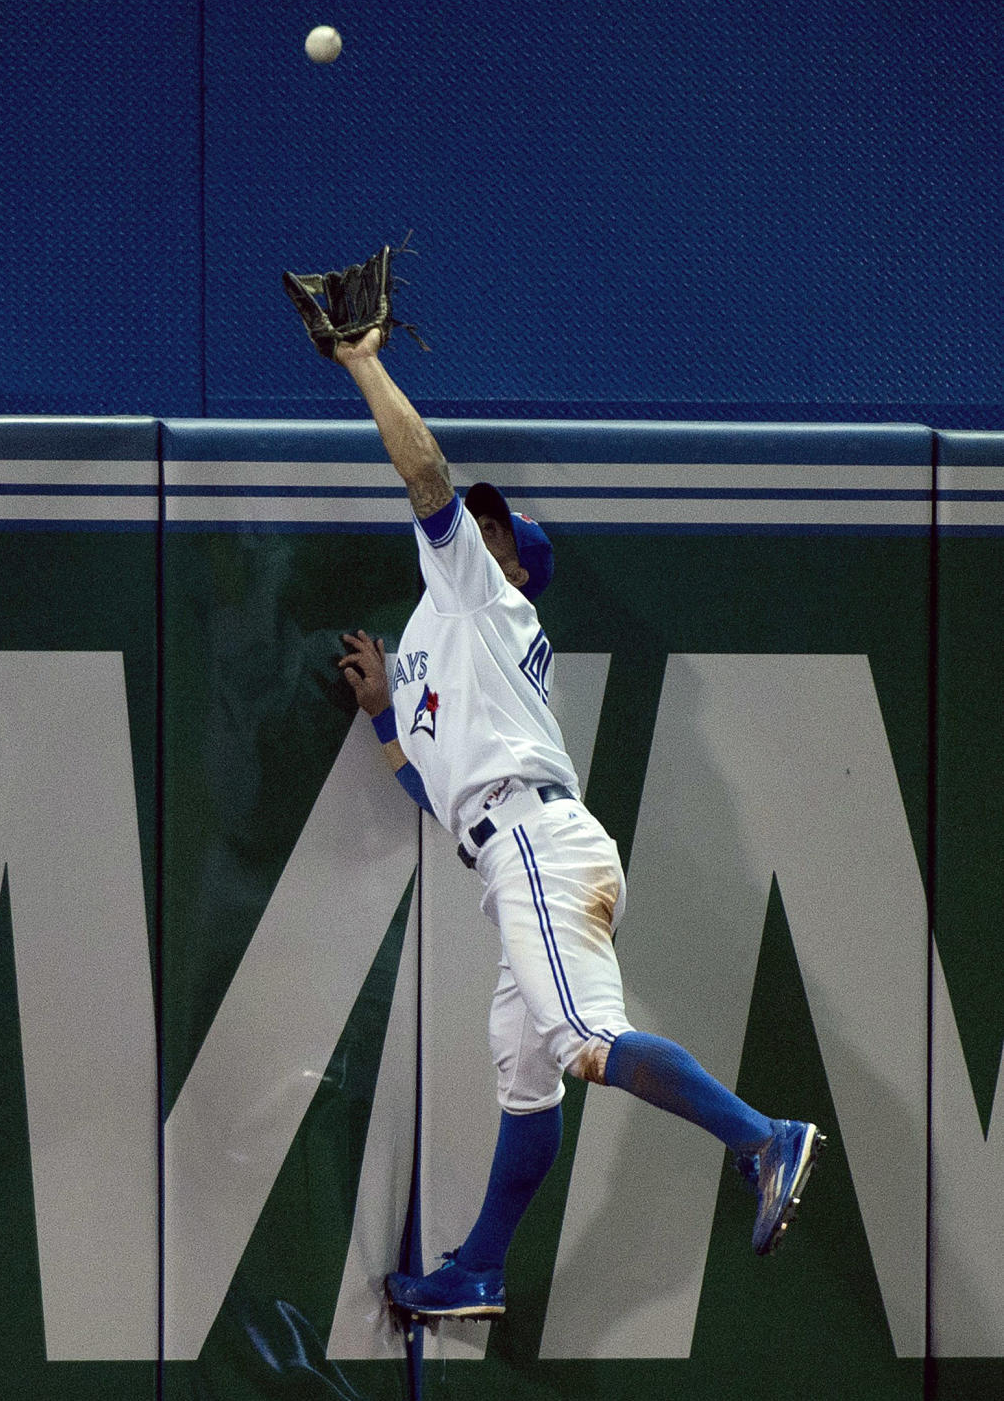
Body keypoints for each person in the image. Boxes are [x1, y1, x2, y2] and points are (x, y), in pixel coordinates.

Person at [332, 327, 823, 1321]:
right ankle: (477, 1267)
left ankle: (763, 1134)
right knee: (528, 1077)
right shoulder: (439, 641)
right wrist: (386, 713)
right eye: (480, 524)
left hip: (537, 847)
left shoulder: (482, 601)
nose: (478, 529)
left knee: (588, 1039)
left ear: (512, 570)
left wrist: (360, 364)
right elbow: (438, 795)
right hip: (508, 847)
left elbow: (421, 468)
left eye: (495, 531)